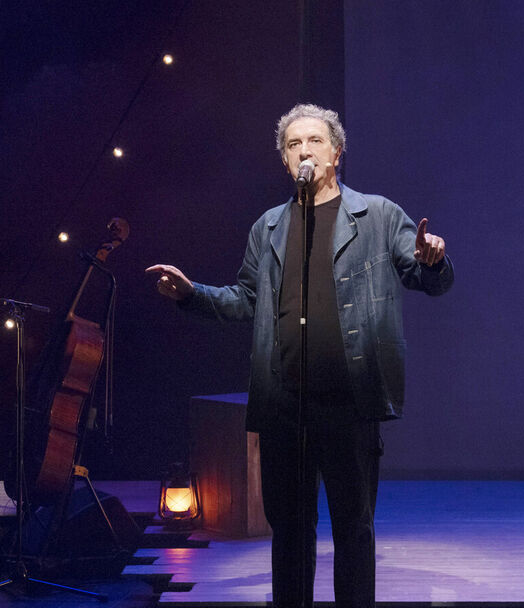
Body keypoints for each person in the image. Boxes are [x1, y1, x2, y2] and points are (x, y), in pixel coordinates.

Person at [146, 104, 453, 608]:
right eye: (293, 144)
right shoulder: (268, 226)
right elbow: (246, 299)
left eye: (314, 141)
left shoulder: (377, 215)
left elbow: (425, 277)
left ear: (336, 153)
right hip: (284, 404)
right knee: (289, 531)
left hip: (350, 401)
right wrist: (191, 294)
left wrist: (433, 260)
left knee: (354, 527)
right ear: (285, 161)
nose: (304, 151)